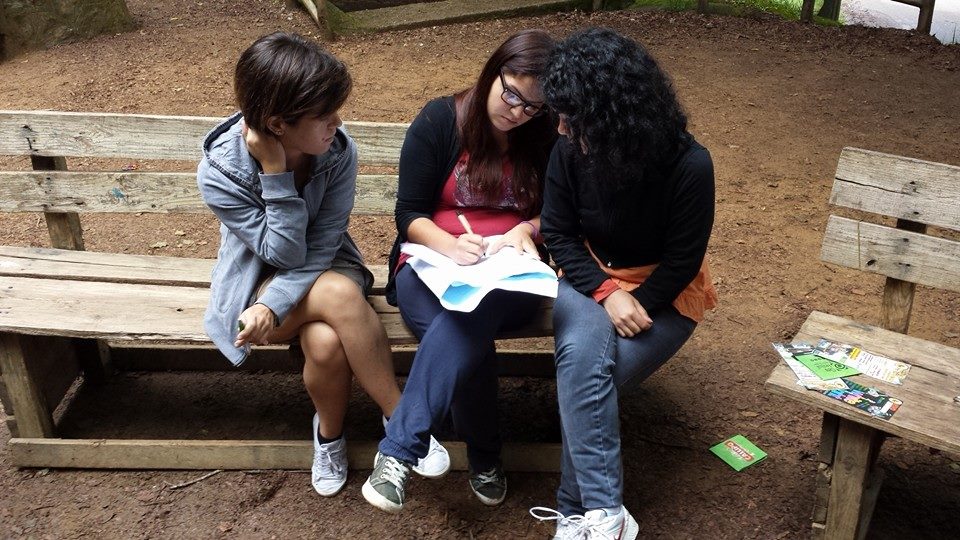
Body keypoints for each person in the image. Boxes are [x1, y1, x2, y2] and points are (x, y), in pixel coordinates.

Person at [197, 32, 449, 499]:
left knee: (326, 340)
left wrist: (273, 306)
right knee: (337, 296)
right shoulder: (220, 171)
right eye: (325, 115)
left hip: (327, 267)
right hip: (257, 282)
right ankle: (404, 423)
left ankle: (330, 438)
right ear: (277, 123)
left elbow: (321, 245)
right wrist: (275, 174)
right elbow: (281, 255)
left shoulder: (337, 151)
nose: (338, 122)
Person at [530, 27, 718, 539]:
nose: (561, 128)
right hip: (587, 278)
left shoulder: (689, 164)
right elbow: (559, 233)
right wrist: (608, 294)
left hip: (664, 293)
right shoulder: (569, 149)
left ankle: (574, 509)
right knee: (585, 369)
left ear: (613, 115)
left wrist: (638, 302)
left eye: (572, 117)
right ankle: (606, 514)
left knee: (590, 381)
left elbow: (682, 261)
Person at [361, 29, 558, 514]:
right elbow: (409, 213)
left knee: (472, 314)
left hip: (513, 275)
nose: (517, 112)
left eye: (532, 107)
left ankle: (398, 452)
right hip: (429, 265)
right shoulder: (440, 120)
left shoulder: (545, 134)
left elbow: (562, 213)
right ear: (493, 73)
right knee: (467, 328)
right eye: (511, 95)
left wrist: (526, 230)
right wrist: (449, 245)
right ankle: (485, 457)